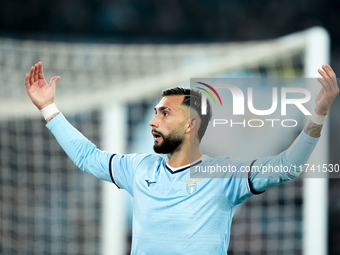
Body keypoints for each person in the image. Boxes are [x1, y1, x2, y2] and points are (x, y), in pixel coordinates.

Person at [25, 62, 338, 254]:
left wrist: (319, 115)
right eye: (155, 113)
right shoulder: (138, 168)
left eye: (165, 113)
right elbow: (87, 157)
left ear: (191, 125)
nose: (153, 121)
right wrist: (48, 109)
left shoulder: (224, 175)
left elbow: (288, 167)